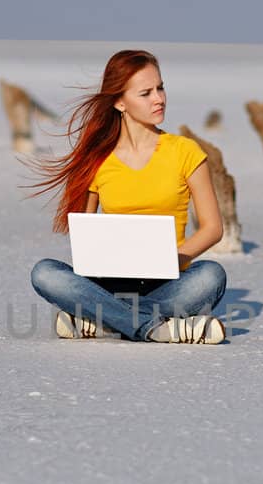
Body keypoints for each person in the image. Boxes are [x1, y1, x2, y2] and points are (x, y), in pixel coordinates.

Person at [28, 49, 227, 343]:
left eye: (160, 88)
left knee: (211, 276)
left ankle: (107, 320)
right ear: (120, 102)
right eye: (145, 93)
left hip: (169, 281)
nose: (159, 98)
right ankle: (155, 327)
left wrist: (170, 259)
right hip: (109, 282)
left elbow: (213, 228)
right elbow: (84, 233)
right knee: (44, 273)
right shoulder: (99, 160)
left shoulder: (185, 151)